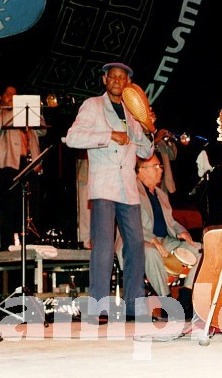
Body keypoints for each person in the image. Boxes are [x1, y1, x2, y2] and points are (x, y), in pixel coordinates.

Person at [65, 62, 153, 323]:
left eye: (122, 77)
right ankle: (98, 308)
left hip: (128, 188)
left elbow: (145, 152)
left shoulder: (133, 113)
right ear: (105, 80)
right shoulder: (92, 105)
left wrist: (147, 127)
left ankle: (134, 306)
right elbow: (73, 138)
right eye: (112, 76)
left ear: (128, 84)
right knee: (103, 247)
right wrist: (109, 135)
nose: (117, 80)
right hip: (104, 185)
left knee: (136, 246)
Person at [132, 154, 201, 321]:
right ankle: (167, 303)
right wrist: (153, 240)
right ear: (141, 170)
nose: (160, 170)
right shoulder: (131, 191)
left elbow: (171, 221)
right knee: (151, 252)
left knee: (200, 250)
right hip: (139, 239)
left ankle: (185, 297)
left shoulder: (161, 194)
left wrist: (181, 231)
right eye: (155, 167)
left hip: (165, 240)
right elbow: (131, 223)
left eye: (160, 166)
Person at [0, 84, 46, 250]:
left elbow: (42, 131)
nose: (12, 97)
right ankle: (6, 244)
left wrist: (32, 111)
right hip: (6, 166)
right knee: (6, 207)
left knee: (28, 207)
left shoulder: (25, 114)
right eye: (8, 94)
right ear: (0, 97)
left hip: (29, 165)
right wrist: (17, 110)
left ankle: (28, 242)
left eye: (15, 94)